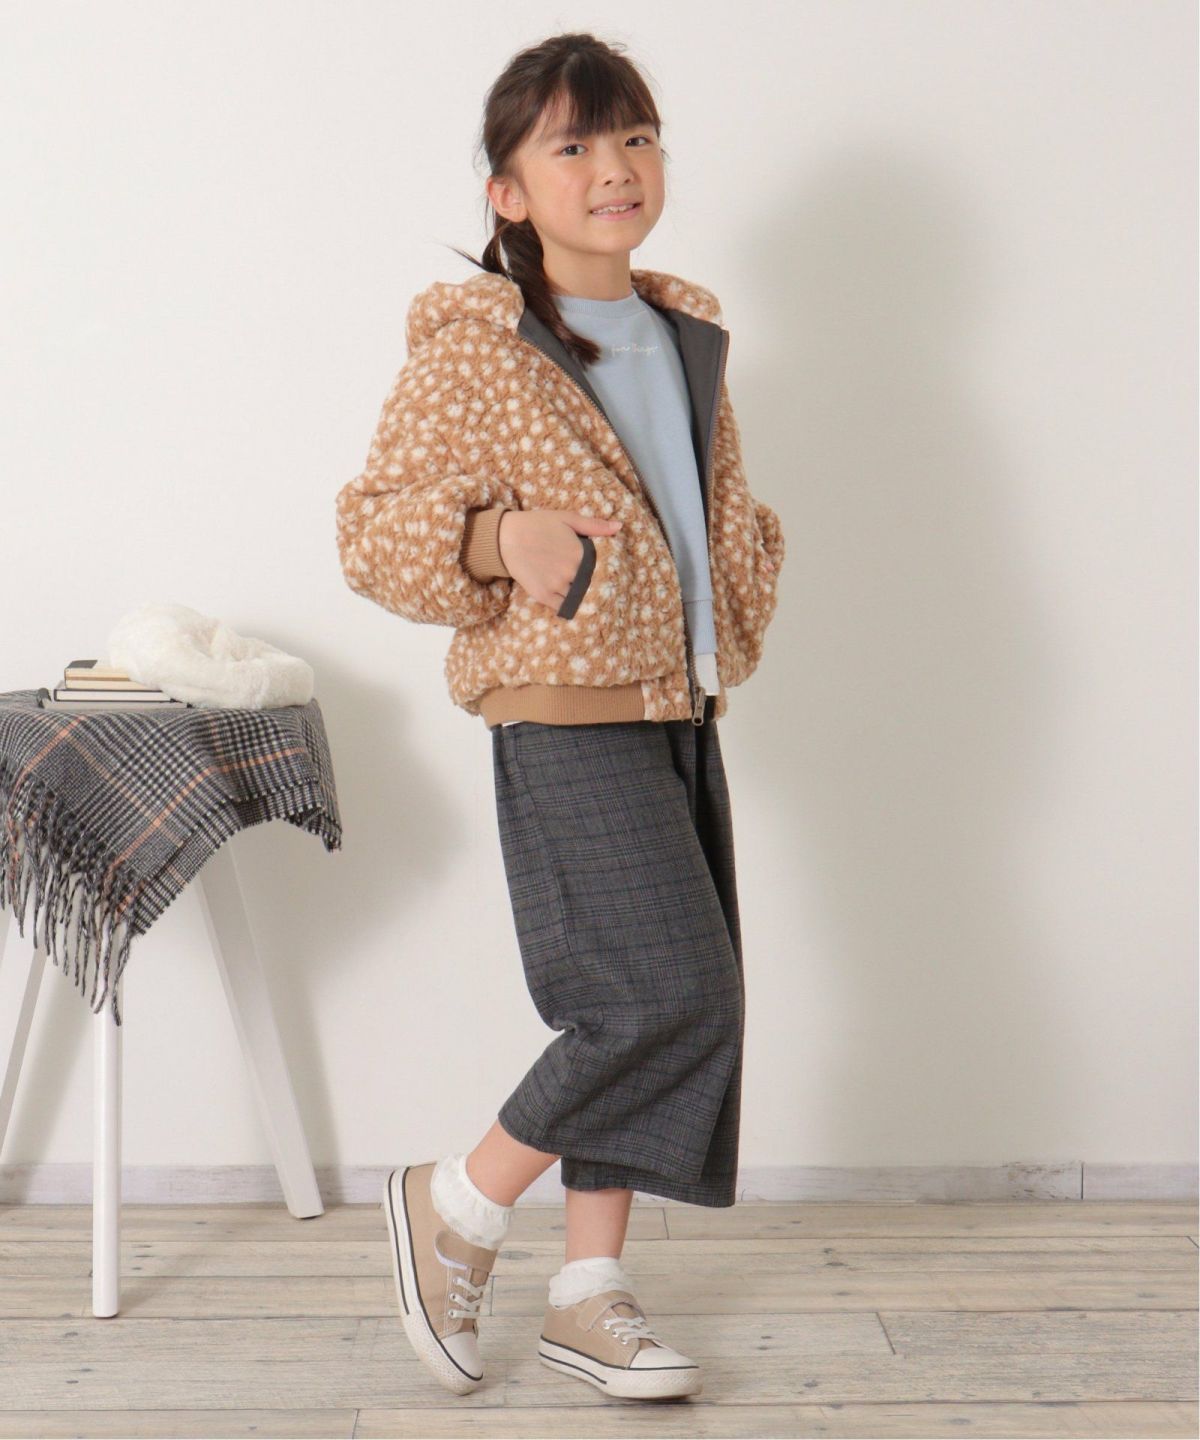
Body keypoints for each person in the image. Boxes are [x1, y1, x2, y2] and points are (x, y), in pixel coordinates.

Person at [335, 30, 784, 1401]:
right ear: (509, 192)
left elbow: (706, 512)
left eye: (635, 137)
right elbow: (369, 533)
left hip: (677, 697)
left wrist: (750, 560)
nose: (615, 167)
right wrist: (497, 539)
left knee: (653, 998)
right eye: (574, 145)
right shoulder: (476, 353)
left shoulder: (687, 336)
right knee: (667, 996)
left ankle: (590, 1290)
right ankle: (460, 1202)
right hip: (561, 708)